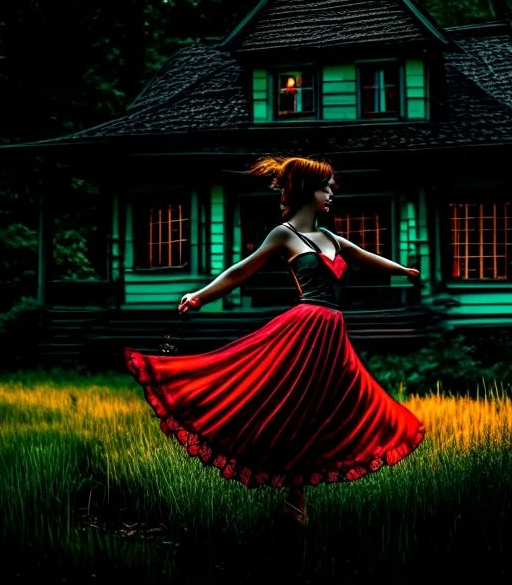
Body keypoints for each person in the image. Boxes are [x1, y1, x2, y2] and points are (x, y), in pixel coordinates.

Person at [121, 155, 427, 527]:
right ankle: (294, 500)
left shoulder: (330, 237)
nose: (331, 194)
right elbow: (242, 270)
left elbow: (367, 257)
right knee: (288, 404)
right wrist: (201, 295)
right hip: (304, 326)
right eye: (325, 187)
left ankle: (297, 497)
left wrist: (405, 270)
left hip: (331, 333)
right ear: (305, 191)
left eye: (331, 188)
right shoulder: (285, 234)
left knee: (332, 407)